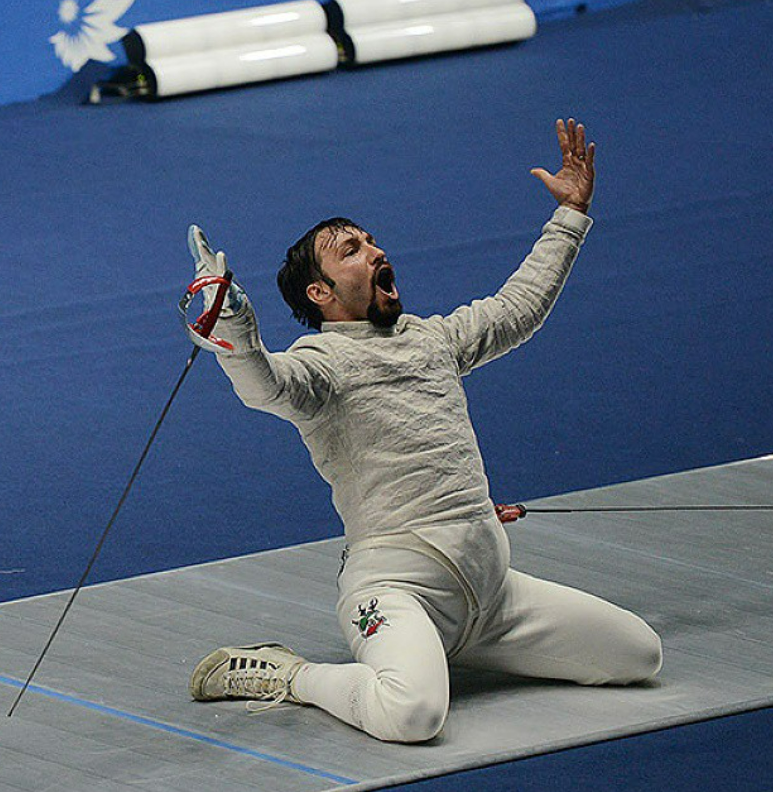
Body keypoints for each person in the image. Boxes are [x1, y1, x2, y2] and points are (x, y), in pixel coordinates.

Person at [187, 119, 662, 743]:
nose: (374, 251)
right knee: (411, 715)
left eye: (370, 241)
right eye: (351, 250)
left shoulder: (431, 339)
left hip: (493, 595)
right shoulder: (321, 365)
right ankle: (290, 674)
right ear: (320, 292)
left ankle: (444, 649)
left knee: (638, 654)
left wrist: (570, 214)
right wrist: (236, 333)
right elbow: (266, 387)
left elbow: (518, 309)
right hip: (396, 588)